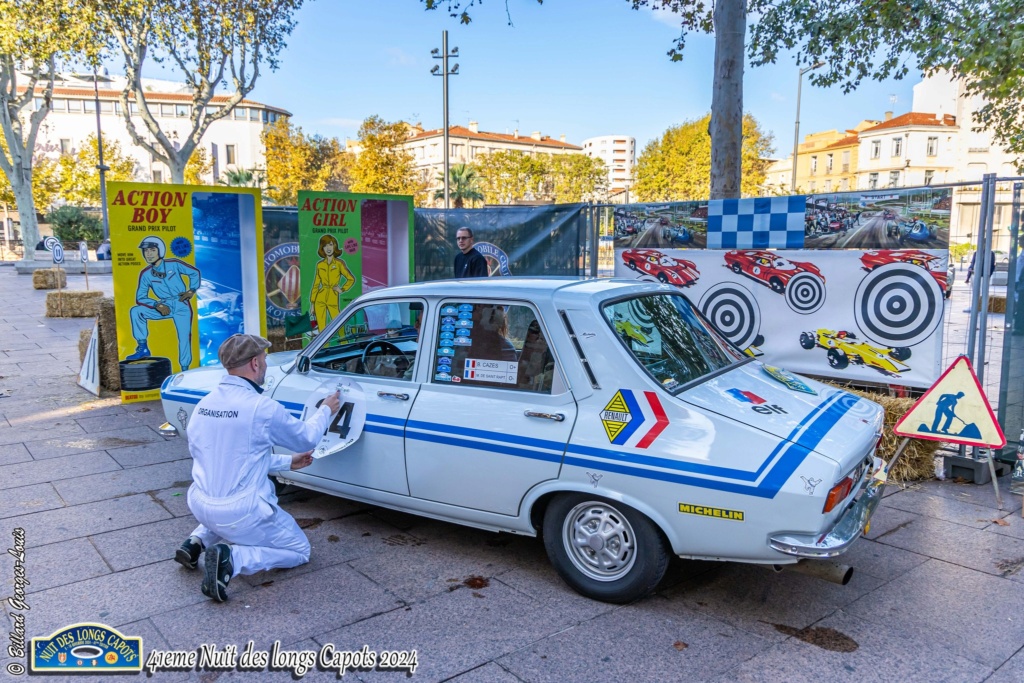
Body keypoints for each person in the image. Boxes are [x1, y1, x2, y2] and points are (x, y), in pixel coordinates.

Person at [174, 334, 342, 602]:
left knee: (223, 500)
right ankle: (233, 558)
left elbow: (232, 460)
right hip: (243, 513)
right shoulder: (261, 407)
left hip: (200, 504)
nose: (265, 365)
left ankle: (195, 542)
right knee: (299, 550)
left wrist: (288, 462)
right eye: (264, 359)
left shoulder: (204, 405)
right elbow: (306, 438)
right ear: (254, 364)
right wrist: (325, 410)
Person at [125, 235, 201, 371]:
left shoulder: (174, 264)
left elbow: (194, 273)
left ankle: (185, 368)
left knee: (184, 337)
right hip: (163, 306)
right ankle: (142, 347)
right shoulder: (146, 274)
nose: (148, 254)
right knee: (136, 311)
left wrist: (191, 290)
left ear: (160, 251)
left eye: (152, 250)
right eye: (145, 251)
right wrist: (156, 305)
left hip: (181, 304)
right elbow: (140, 297)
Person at [309, 234, 355, 333]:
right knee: (322, 329)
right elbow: (316, 284)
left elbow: (351, 279)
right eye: (325, 246)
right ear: (322, 248)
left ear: (334, 246)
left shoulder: (339, 264)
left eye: (330, 244)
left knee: (339, 326)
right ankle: (323, 348)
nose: (328, 248)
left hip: (333, 297)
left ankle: (345, 345)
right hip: (319, 298)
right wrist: (312, 304)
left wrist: (342, 289)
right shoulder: (320, 265)